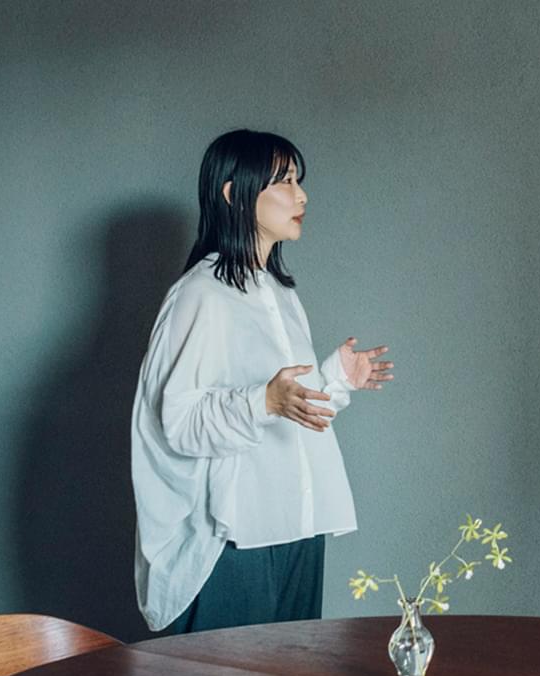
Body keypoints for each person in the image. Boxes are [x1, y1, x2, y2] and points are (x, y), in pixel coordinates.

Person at [129, 129, 395, 633]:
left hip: (299, 528)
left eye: (299, 181)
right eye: (285, 182)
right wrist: (264, 401)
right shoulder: (200, 294)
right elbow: (177, 422)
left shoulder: (280, 293)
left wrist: (336, 379)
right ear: (235, 194)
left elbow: (285, 407)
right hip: (236, 540)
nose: (302, 196)